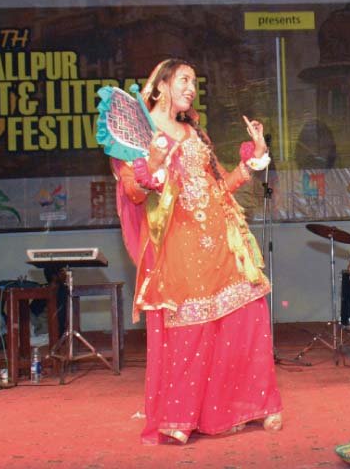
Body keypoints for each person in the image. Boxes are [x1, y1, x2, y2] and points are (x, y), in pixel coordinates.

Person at [109, 58, 282, 445]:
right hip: (178, 243)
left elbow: (218, 187)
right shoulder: (137, 133)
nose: (191, 87)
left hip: (222, 238)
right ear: (161, 84)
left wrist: (251, 158)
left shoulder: (195, 134)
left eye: (193, 82)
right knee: (192, 324)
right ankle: (180, 414)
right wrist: (150, 166)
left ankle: (256, 406)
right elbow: (133, 193)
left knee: (245, 314)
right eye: (184, 80)